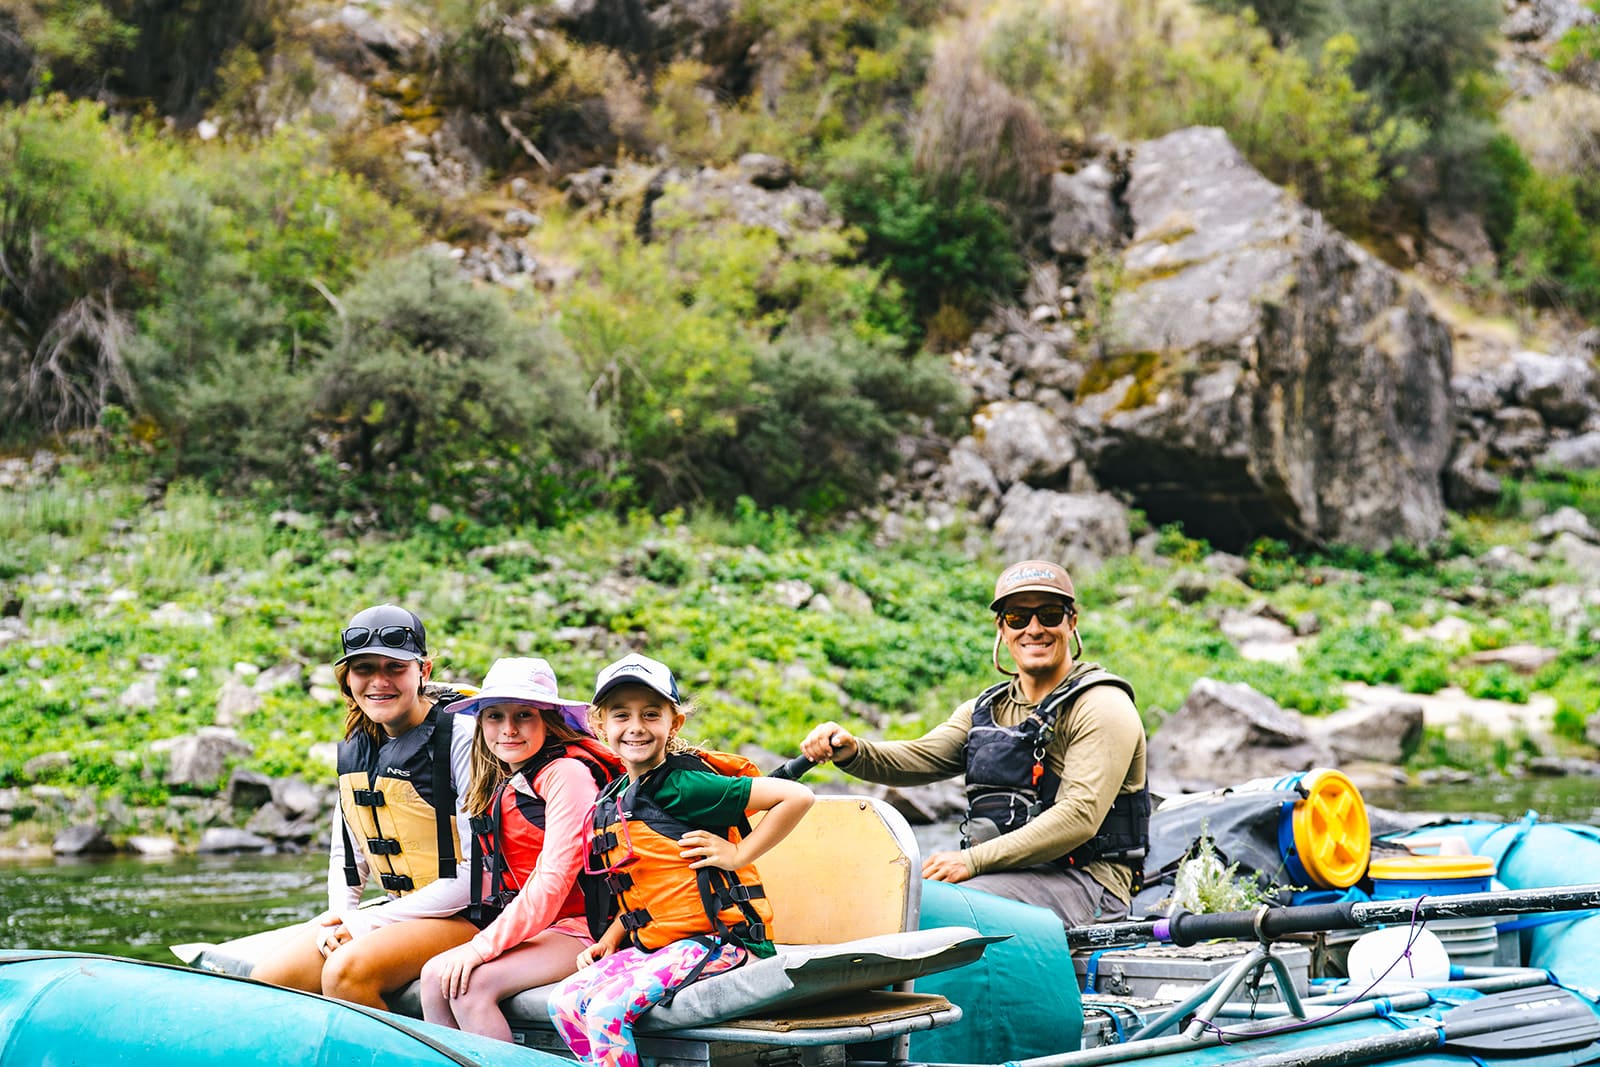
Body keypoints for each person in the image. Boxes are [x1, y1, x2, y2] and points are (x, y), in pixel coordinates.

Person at [799, 559, 1148, 929]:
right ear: (1001, 627)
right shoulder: (986, 708)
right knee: (884, 889)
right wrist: (854, 751)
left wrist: (971, 861)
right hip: (1007, 874)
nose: (1034, 629)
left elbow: (1078, 817)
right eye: (1017, 617)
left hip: (1089, 886)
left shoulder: (1102, 704)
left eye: (1048, 614)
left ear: (1071, 622)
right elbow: (918, 758)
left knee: (930, 905)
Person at [547, 653, 815, 1067]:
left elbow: (797, 796)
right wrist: (612, 937)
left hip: (722, 943)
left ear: (674, 723)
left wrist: (738, 853)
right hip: (662, 945)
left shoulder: (684, 785)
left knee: (605, 1012)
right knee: (562, 1002)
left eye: (651, 714)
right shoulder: (616, 794)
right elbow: (652, 886)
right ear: (599, 725)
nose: (636, 727)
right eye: (621, 715)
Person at [251, 604, 477, 1007]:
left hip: (470, 917)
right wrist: (340, 916)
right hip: (401, 913)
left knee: (344, 972)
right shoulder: (358, 746)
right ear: (347, 678)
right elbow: (347, 855)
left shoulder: (462, 737)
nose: (379, 681)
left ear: (422, 672)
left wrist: (367, 922)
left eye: (394, 668)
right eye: (364, 669)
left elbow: (477, 875)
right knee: (269, 979)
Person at [419, 657, 623, 1041]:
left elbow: (554, 879)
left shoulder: (568, 774)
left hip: (589, 927)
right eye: (495, 716)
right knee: (434, 977)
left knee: (469, 989)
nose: (508, 729)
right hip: (547, 925)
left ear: (547, 719)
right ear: (480, 723)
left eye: (524, 715)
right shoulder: (511, 772)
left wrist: (481, 947)